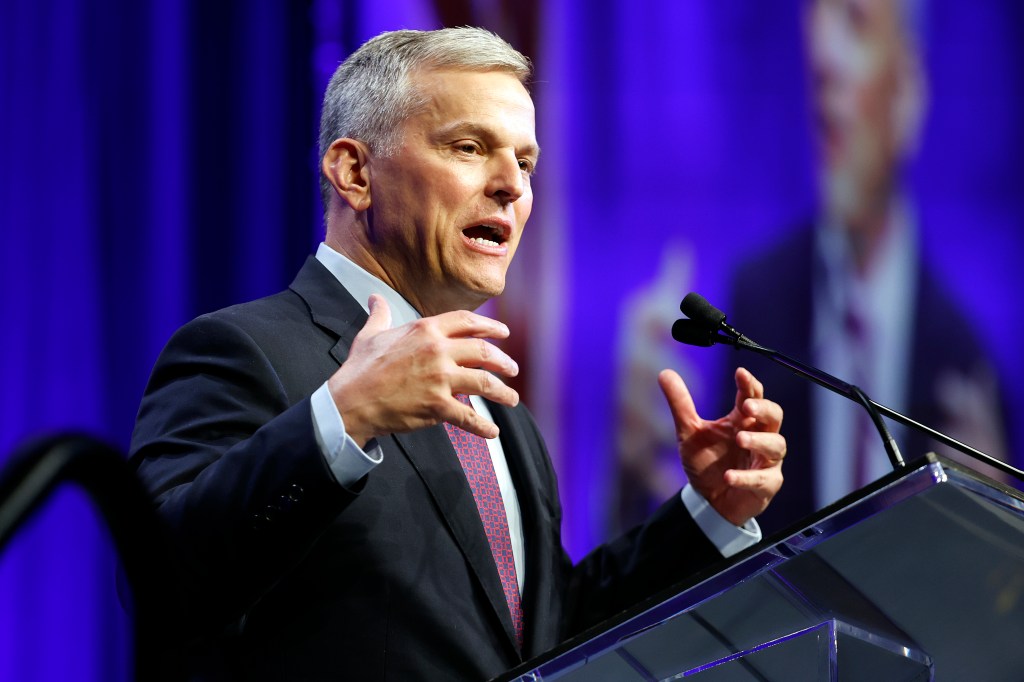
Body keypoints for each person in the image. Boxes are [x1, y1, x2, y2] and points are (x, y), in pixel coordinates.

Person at [131, 27, 786, 680]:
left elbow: (543, 639)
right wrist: (345, 416)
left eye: (525, 163)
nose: (512, 186)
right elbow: (165, 581)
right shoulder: (243, 350)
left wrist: (708, 514)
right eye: (470, 147)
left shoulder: (502, 415)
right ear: (355, 172)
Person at [726, 0, 1008, 533]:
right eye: (815, 26)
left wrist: (994, 521)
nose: (822, 55)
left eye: (854, 22)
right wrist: (637, 489)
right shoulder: (752, 306)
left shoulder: (972, 358)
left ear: (907, 92)